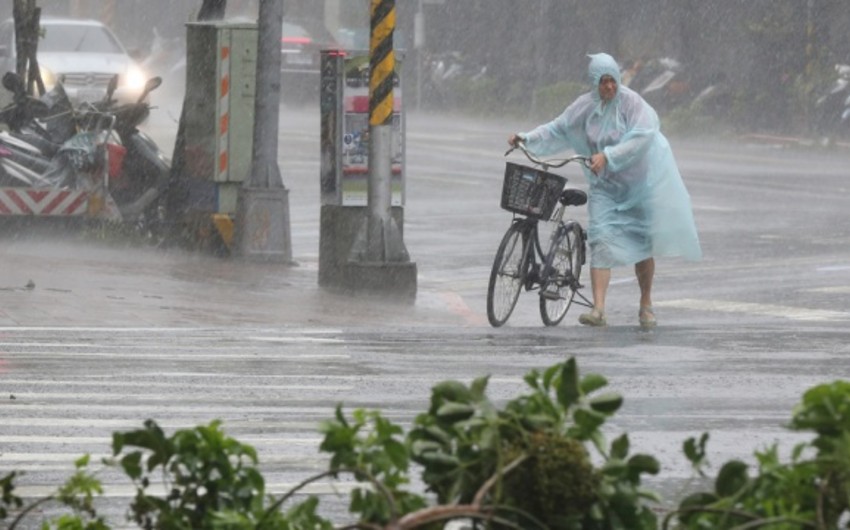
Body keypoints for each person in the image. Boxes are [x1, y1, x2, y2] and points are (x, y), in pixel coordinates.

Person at [508, 53, 701, 329]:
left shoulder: (632, 103)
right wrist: (526, 137)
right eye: (603, 81)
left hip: (638, 186)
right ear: (594, 83)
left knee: (642, 246)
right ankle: (598, 309)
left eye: (612, 80)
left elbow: (643, 136)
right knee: (599, 239)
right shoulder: (584, 107)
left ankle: (646, 303)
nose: (609, 86)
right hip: (604, 187)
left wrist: (609, 156)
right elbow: (558, 127)